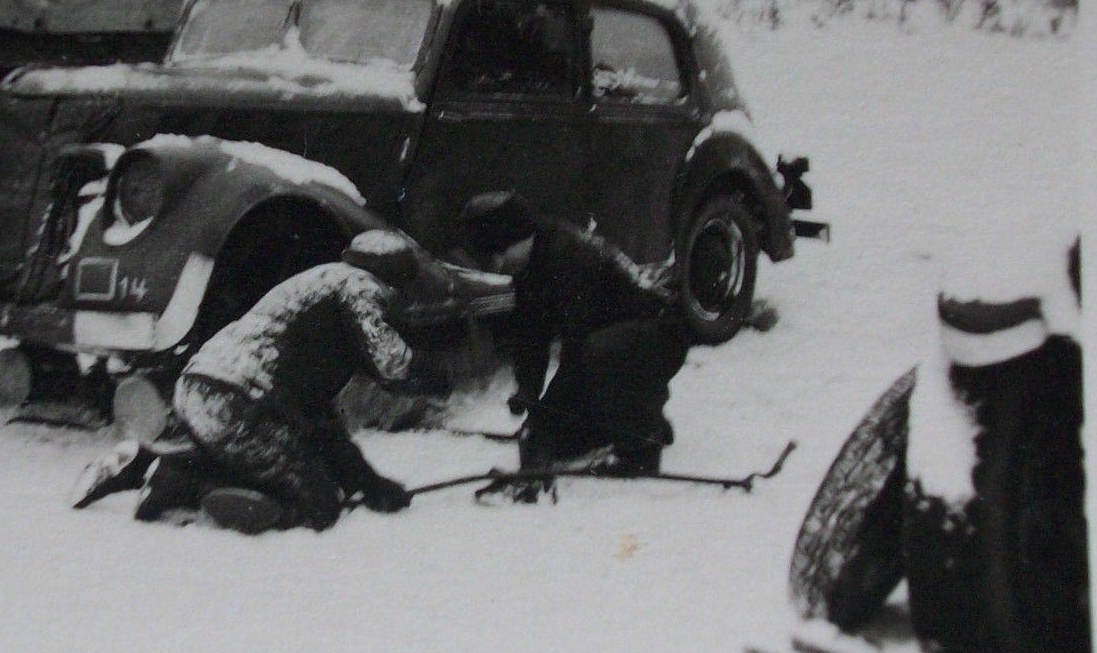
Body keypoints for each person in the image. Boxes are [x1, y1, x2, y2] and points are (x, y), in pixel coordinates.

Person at [72, 229, 450, 533]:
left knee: (262, 458)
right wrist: (432, 375)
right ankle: (180, 484)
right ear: (394, 277)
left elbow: (321, 427)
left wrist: (369, 484)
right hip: (242, 401)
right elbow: (390, 360)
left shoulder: (316, 288)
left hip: (203, 388)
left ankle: (146, 465)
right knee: (317, 506)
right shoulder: (360, 286)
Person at [459, 191, 689, 479]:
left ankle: (640, 450)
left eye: (497, 255)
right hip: (624, 343)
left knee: (599, 354)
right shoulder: (532, 261)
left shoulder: (570, 259)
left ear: (516, 239)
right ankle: (640, 418)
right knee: (560, 442)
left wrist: (544, 419)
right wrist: (528, 392)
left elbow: (576, 356)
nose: (497, 266)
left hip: (660, 337)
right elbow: (531, 336)